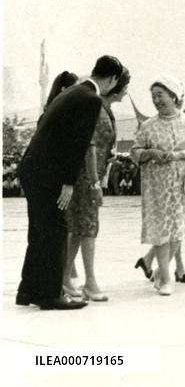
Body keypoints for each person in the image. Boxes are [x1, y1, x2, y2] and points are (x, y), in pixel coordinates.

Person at [16, 56, 126, 310]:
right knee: (56, 229)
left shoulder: (72, 92)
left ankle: (28, 290)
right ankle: (51, 294)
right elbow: (78, 143)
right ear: (112, 80)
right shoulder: (91, 99)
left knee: (39, 231)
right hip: (49, 173)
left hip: (33, 167)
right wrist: (68, 182)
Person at [130, 76, 185, 296]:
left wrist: (180, 154)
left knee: (178, 231)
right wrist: (149, 153)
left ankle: (159, 273)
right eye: (153, 96)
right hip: (157, 187)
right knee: (162, 231)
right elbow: (135, 152)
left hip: (183, 185)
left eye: (160, 95)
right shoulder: (148, 126)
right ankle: (164, 278)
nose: (156, 100)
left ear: (173, 96)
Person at [64, 67, 130, 302]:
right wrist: (94, 183)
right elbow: (90, 146)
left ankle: (64, 277)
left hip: (91, 174)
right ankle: (89, 282)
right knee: (88, 227)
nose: (126, 93)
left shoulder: (105, 109)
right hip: (86, 176)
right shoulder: (96, 108)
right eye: (125, 88)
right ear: (116, 85)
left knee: (79, 228)